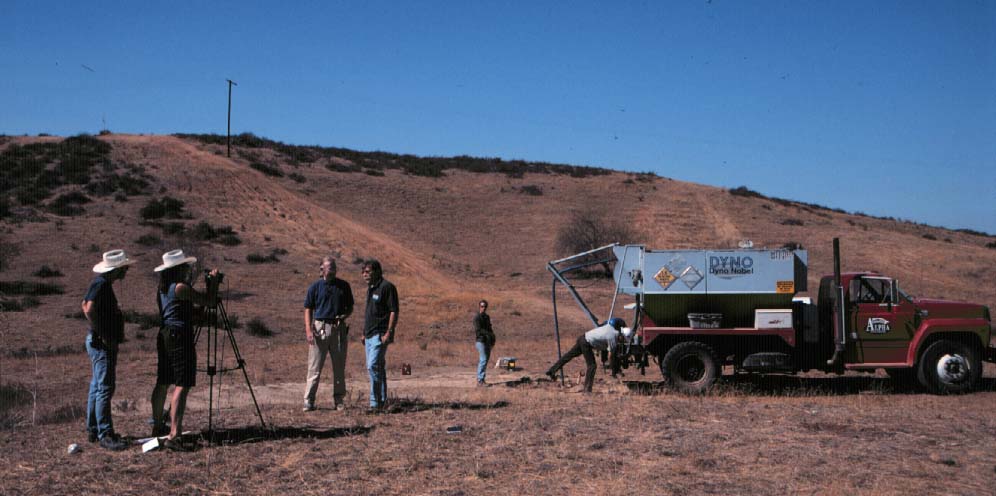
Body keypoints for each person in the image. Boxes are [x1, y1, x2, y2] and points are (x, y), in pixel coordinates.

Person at [149, 249, 217, 451]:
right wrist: (211, 284)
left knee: (163, 381)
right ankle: (174, 434)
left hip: (165, 334)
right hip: (179, 336)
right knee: (182, 383)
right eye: (186, 267)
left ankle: (158, 424)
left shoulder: (163, 288)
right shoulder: (180, 288)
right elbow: (209, 301)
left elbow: (183, 310)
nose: (188, 270)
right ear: (179, 269)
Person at [83, 249, 134, 451]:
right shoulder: (101, 284)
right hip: (102, 343)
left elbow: (84, 305)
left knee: (98, 386)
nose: (127, 270)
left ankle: (94, 429)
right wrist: (103, 333)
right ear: (117, 269)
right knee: (104, 387)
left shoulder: (102, 284)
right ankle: (105, 433)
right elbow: (88, 308)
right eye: (124, 267)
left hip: (100, 341)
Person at [303, 256, 354, 411]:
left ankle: (339, 400)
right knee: (314, 367)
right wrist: (308, 329)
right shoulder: (315, 287)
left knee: (339, 367)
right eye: (329, 266)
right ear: (322, 269)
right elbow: (308, 309)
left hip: (338, 328)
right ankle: (308, 400)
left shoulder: (344, 286)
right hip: (320, 327)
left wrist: (344, 316)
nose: (332, 268)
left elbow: (350, 307)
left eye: (334, 266)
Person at [545, 318, 629, 392]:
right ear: (621, 334)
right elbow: (611, 356)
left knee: (568, 356)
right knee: (592, 365)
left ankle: (551, 371)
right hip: (586, 343)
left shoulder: (610, 328)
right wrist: (614, 370)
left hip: (583, 338)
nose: (622, 341)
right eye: (623, 339)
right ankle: (587, 389)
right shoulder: (613, 337)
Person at [361, 259, 398, 412]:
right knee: (379, 367)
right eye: (363, 272)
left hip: (380, 334)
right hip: (369, 334)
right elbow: (369, 313)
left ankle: (374, 403)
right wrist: (364, 332)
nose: (364, 275)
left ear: (377, 271)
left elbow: (393, 311)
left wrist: (389, 332)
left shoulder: (387, 287)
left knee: (372, 366)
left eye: (368, 272)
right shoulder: (371, 289)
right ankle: (382, 400)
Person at [473, 299, 496, 386]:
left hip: (487, 341)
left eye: (485, 306)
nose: (484, 308)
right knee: (483, 359)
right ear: (479, 307)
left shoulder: (487, 317)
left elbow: (490, 328)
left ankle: (482, 379)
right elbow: (478, 330)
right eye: (482, 306)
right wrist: (488, 334)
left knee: (485, 361)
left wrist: (493, 338)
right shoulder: (477, 318)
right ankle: (480, 380)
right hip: (481, 341)